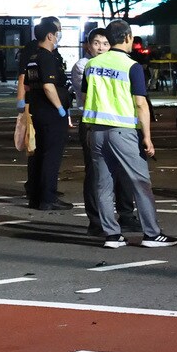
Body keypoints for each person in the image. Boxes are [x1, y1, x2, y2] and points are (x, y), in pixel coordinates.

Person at [82, 20, 176, 248]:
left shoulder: (91, 65)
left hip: (95, 131)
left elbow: (85, 98)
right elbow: (141, 104)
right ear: (127, 38)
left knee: (103, 185)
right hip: (122, 132)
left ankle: (112, 236)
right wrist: (147, 137)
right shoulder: (131, 66)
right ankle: (152, 234)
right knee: (140, 182)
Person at [73, 28, 139, 234]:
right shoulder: (85, 65)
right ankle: (96, 221)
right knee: (96, 174)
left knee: (123, 171)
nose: (100, 47)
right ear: (88, 45)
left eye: (105, 43)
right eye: (96, 43)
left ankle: (126, 214)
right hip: (93, 123)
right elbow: (88, 94)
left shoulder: (114, 63)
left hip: (117, 122)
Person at [19, 21, 70, 210]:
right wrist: (60, 108)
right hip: (50, 112)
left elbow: (26, 84)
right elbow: (49, 86)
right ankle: (48, 198)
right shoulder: (47, 57)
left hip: (37, 109)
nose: (58, 37)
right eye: (57, 33)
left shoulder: (32, 57)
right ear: (50, 36)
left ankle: (36, 196)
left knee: (38, 154)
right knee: (51, 155)